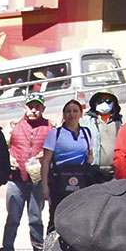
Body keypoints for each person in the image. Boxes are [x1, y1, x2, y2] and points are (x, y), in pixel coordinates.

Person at [0, 94, 50, 251]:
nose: (34, 110)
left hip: (37, 181)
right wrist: (8, 158)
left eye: (37, 107)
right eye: (31, 106)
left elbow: (54, 151)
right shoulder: (13, 127)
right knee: (12, 219)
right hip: (16, 180)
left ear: (43, 109)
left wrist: (45, 156)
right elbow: (1, 147)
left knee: (35, 219)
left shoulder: (50, 127)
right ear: (25, 108)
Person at [41, 97, 96, 228]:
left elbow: (90, 155)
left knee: (80, 216)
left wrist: (89, 159)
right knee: (56, 217)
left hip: (81, 181)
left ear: (81, 114)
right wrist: (44, 187)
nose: (72, 114)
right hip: (58, 182)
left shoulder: (87, 133)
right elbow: (46, 162)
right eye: (68, 111)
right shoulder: (55, 134)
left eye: (75, 111)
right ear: (63, 114)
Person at [83, 89, 121, 182]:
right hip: (94, 172)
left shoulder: (122, 120)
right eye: (100, 101)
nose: (105, 104)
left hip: (117, 173)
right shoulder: (85, 121)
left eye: (108, 101)